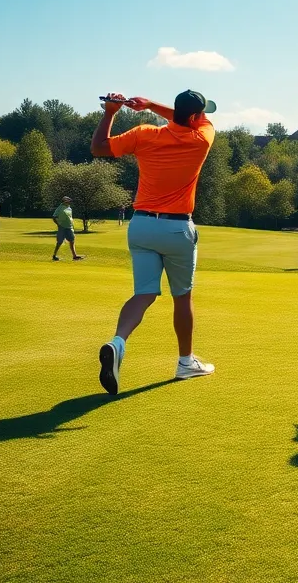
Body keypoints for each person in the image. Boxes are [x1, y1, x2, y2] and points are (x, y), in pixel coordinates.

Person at [91, 90, 217, 394]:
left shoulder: (144, 134)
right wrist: (149, 105)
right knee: (182, 297)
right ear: (196, 117)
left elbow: (99, 148)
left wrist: (110, 112)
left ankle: (117, 342)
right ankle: (185, 362)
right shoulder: (202, 139)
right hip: (177, 229)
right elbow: (187, 119)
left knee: (144, 294)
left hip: (142, 225)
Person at [52, 196, 84, 261]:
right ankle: (54, 255)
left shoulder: (69, 208)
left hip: (69, 227)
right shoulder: (60, 208)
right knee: (59, 242)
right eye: (69, 201)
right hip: (62, 227)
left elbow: (70, 217)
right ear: (65, 202)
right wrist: (58, 225)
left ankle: (74, 256)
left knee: (72, 241)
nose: (70, 202)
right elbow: (54, 217)